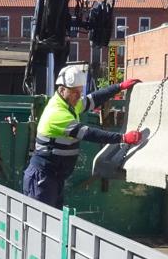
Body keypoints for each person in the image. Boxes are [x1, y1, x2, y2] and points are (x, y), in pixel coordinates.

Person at [23, 64, 142, 208]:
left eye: (80, 92)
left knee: (52, 223)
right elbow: (88, 133)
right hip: (42, 178)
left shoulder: (69, 104)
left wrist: (119, 87)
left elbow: (92, 99)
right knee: (41, 224)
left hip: (54, 177)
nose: (79, 96)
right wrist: (122, 138)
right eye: (75, 92)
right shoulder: (57, 113)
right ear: (62, 90)